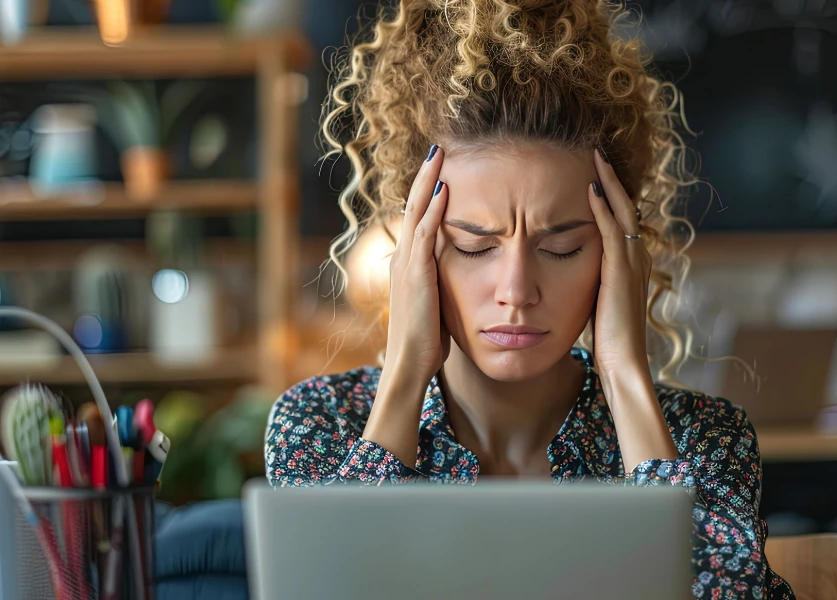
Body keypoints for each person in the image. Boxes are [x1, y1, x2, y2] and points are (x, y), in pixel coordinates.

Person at [264, 1, 796, 598]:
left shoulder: (702, 438)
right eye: (472, 246)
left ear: (617, 256)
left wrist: (625, 377)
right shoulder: (322, 425)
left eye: (563, 247)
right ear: (418, 249)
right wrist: (406, 370)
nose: (516, 292)